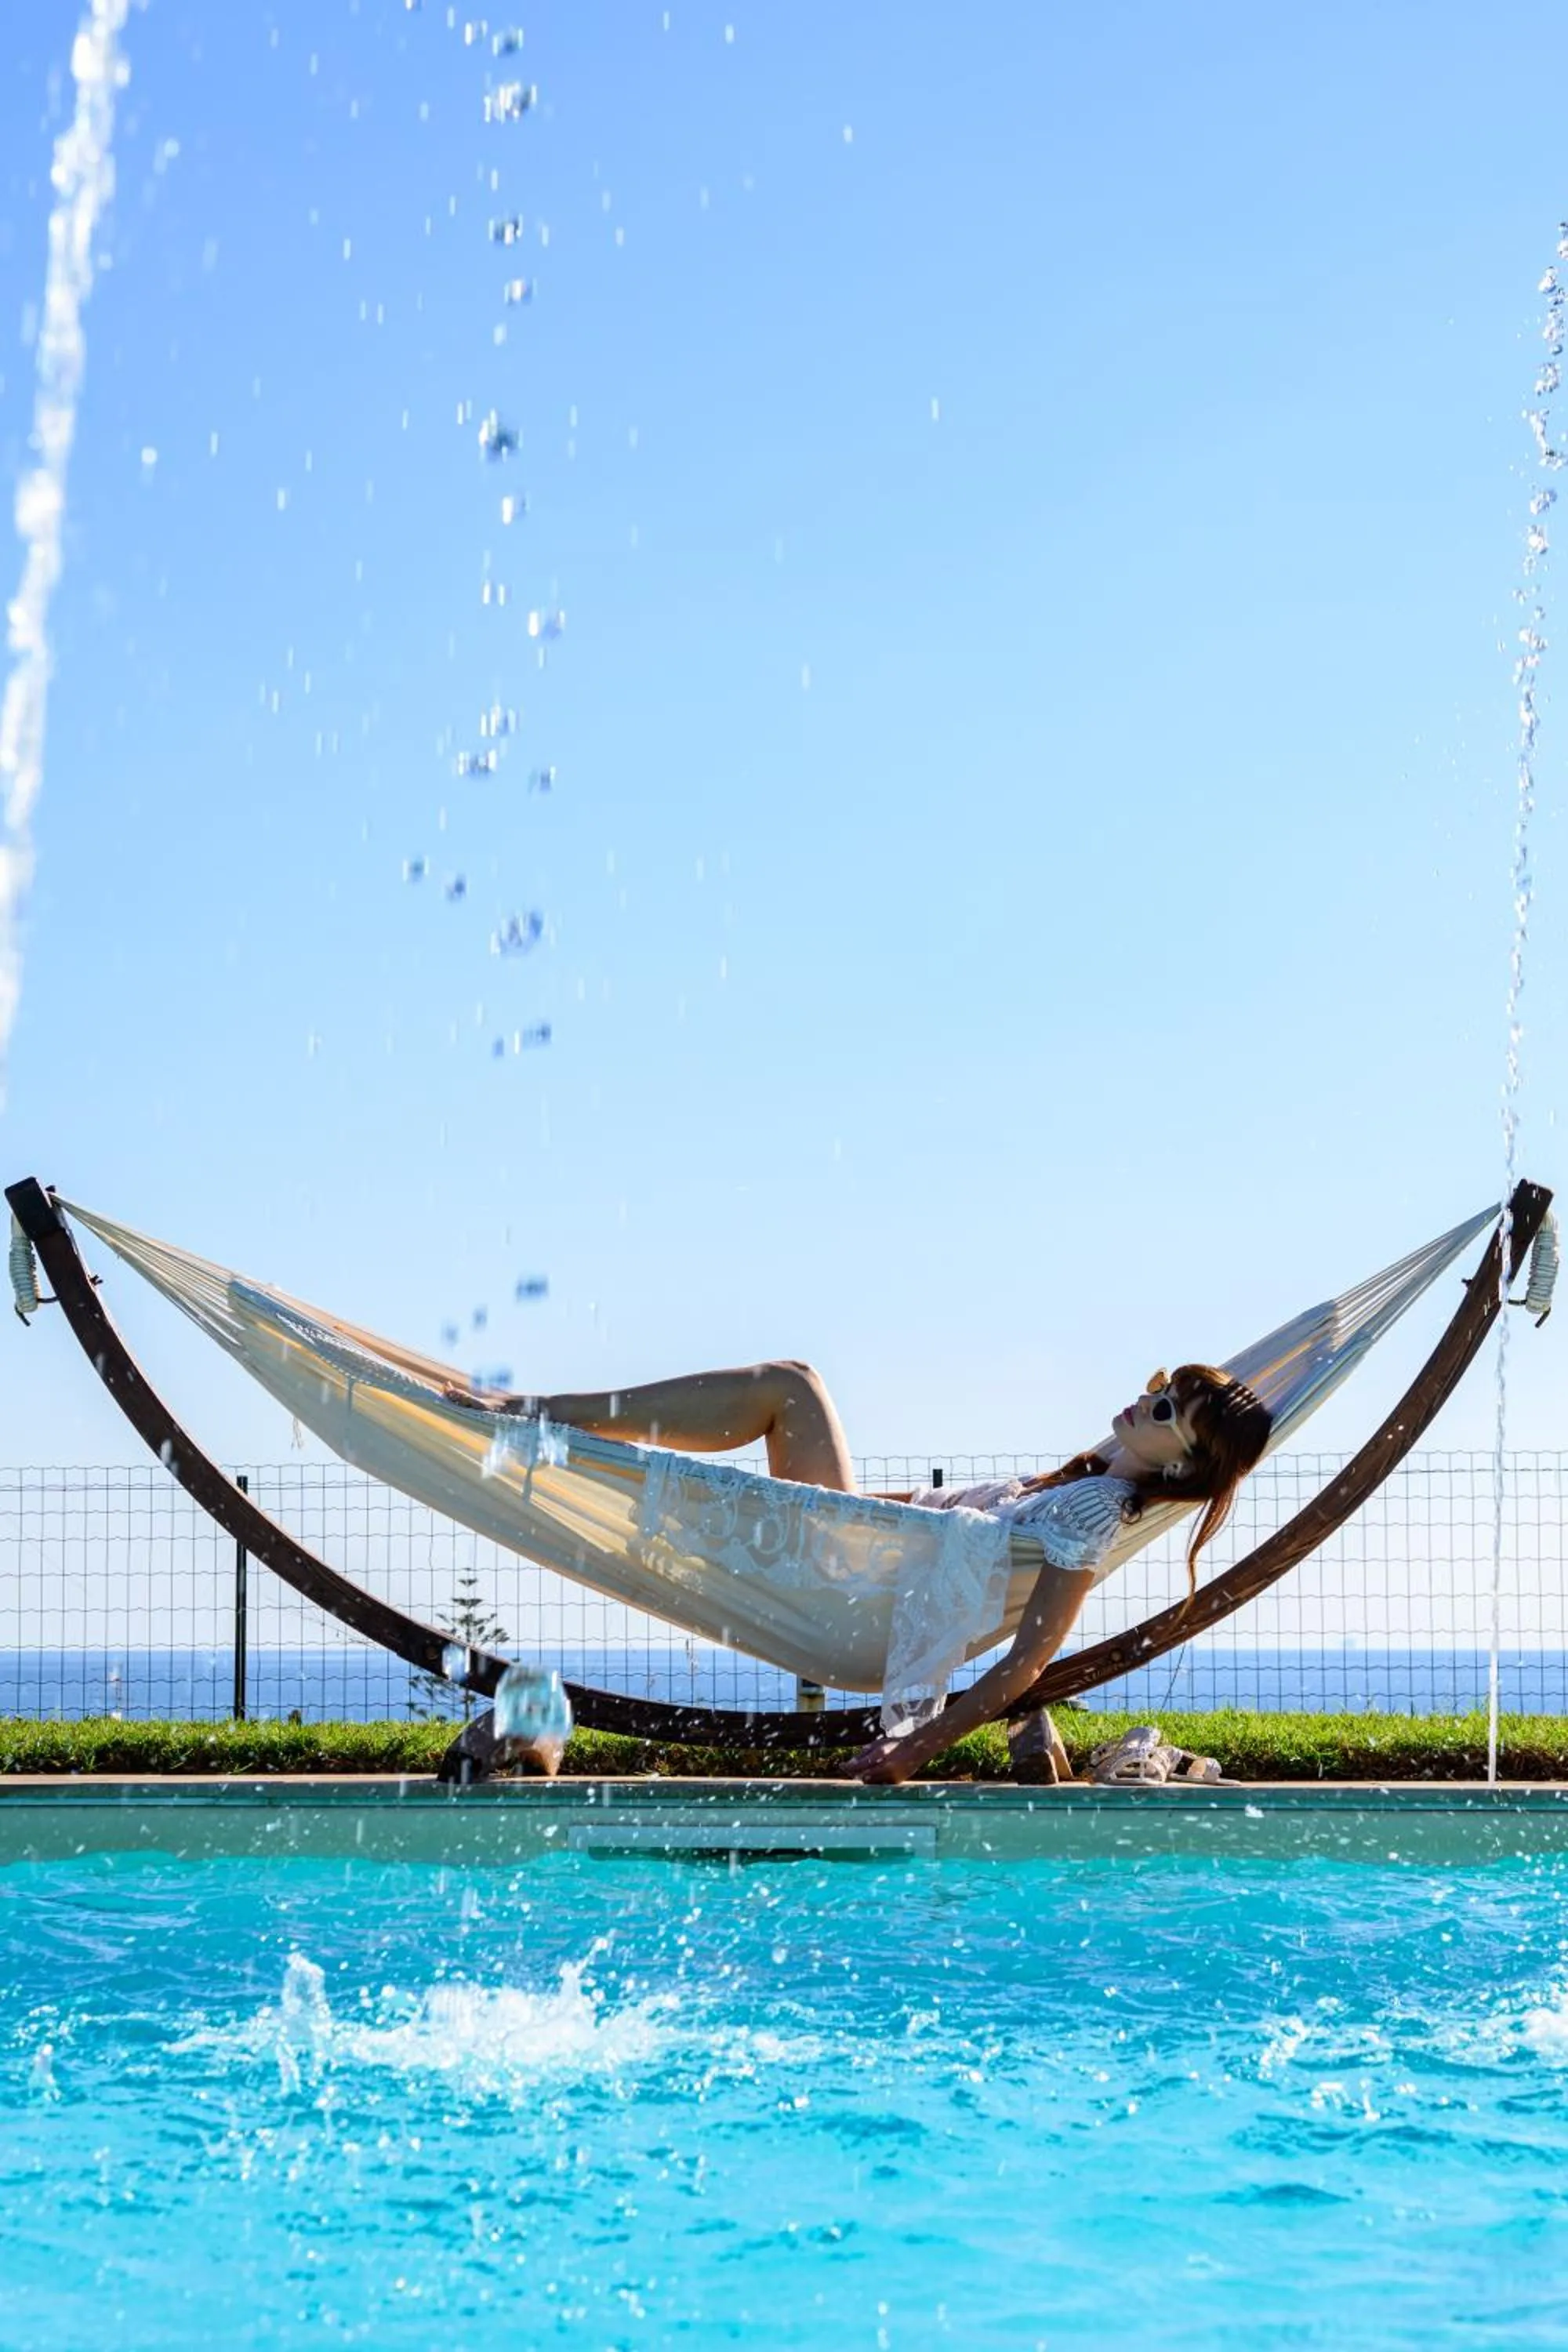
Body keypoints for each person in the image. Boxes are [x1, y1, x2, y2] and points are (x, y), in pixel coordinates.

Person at [453, 1358, 1272, 1784]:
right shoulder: (1082, 1480)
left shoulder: (1095, 1510)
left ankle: (547, 1415)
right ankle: (562, 1422)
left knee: (791, 1385)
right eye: (1160, 1388)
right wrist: (793, 1504)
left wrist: (916, 1749)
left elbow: (1027, 1660)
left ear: (1179, 1464)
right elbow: (915, 1518)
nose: (1145, 1400)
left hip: (855, 1611)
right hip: (854, 1568)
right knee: (794, 1385)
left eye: (1166, 1410)